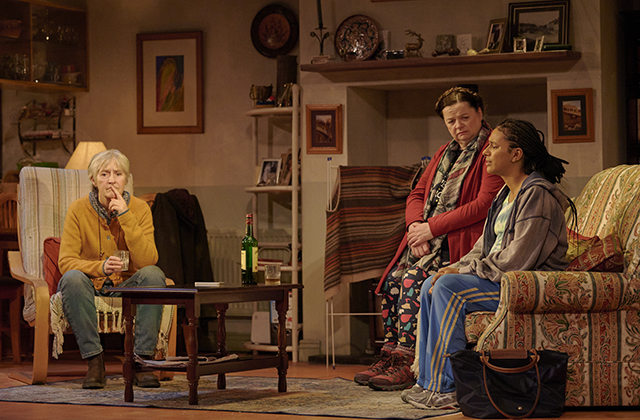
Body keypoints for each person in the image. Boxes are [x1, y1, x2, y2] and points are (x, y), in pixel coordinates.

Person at [405, 118, 574, 409]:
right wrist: (457, 266)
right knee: (431, 282)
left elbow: (517, 260)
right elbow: (482, 248)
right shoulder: (504, 195)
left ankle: (448, 388)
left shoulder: (537, 195)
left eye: (494, 147)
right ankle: (429, 382)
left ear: (516, 154)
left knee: (447, 288)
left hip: (523, 285)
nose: (485, 152)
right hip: (498, 279)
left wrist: (462, 273)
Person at [355, 87, 504, 391]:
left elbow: (482, 204)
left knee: (411, 278)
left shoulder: (491, 150)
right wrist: (414, 227)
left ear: (480, 113)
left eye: (464, 117)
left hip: (462, 243)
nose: (458, 125)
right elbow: (418, 193)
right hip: (431, 238)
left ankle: (409, 363)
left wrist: (431, 228)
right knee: (394, 279)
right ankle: (391, 353)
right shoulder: (444, 152)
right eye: (451, 121)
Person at [58, 149, 166, 389]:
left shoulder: (140, 209)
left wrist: (126, 216)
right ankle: (95, 362)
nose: (111, 180)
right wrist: (100, 267)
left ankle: (141, 362)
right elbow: (65, 261)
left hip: (127, 286)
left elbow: (149, 261)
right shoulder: (77, 209)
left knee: (154, 274)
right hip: (91, 285)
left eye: (118, 174)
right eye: (104, 174)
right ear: (93, 179)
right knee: (72, 278)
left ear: (126, 179)